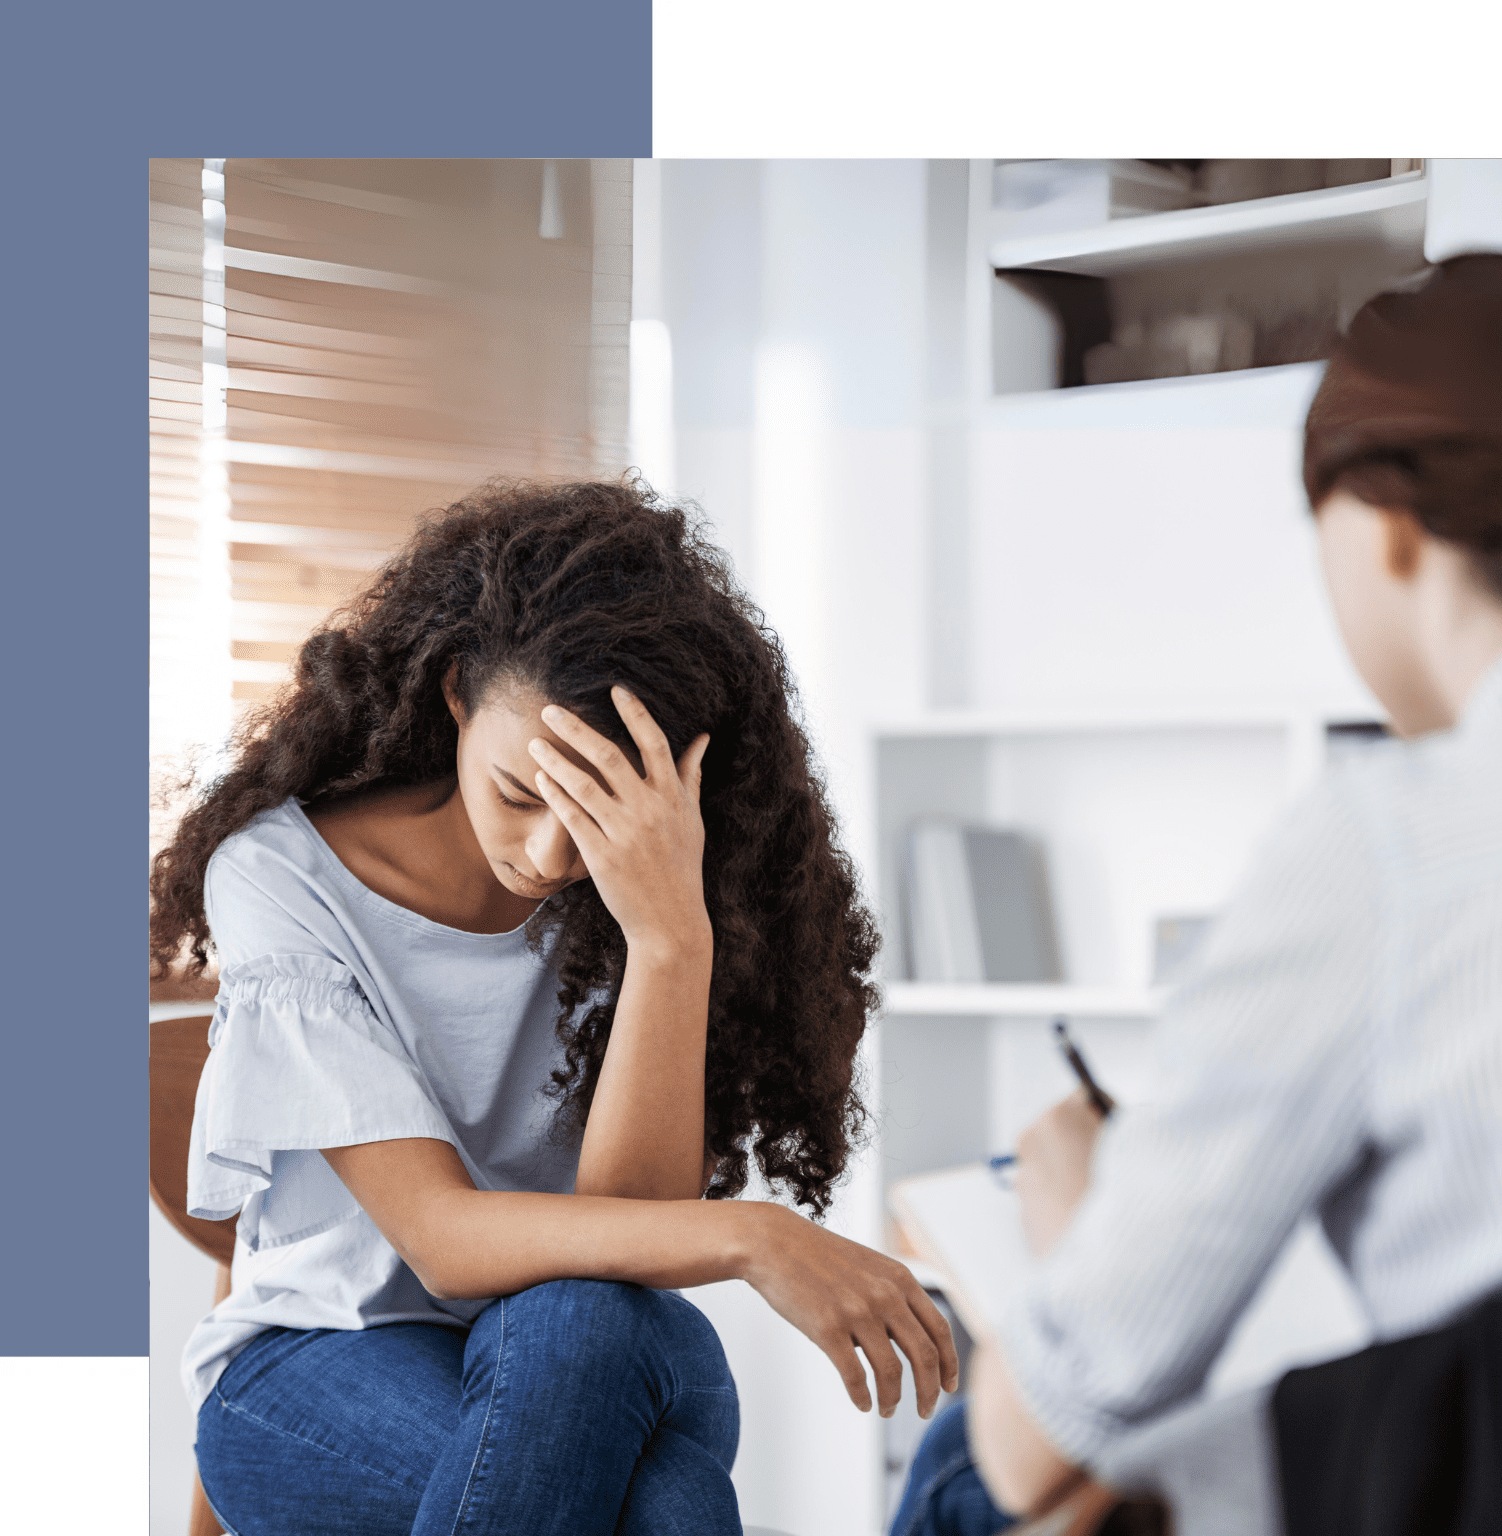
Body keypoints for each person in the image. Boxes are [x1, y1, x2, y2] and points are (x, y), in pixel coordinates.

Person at [150, 480, 959, 1536]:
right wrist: (752, 1237)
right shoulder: (284, 876)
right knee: (664, 1511)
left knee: (576, 1321)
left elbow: (624, 1220)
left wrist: (670, 934)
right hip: (319, 1360)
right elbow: (441, 1239)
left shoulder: (651, 881)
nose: (546, 858)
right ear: (454, 696)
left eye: (591, 820)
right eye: (521, 795)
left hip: (610, 1346)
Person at [890, 254, 1502, 1535]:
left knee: (970, 1469)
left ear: (1381, 531)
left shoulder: (1392, 838)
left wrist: (1072, 1213)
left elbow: (1047, 1433)